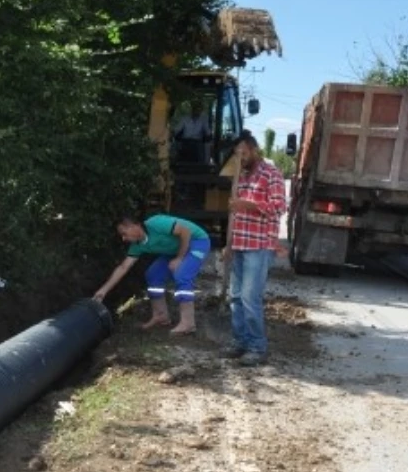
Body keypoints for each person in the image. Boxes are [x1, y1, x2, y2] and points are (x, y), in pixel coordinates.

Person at [223, 131, 287, 366]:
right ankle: (240, 342)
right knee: (236, 297)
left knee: (250, 297)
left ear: (252, 149)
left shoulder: (271, 174)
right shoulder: (241, 176)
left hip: (259, 246)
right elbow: (234, 213)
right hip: (239, 244)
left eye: (242, 152)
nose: (239, 157)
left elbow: (280, 207)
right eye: (236, 153)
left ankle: (257, 347)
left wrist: (250, 205)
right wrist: (228, 245)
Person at [92, 213, 212, 335]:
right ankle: (161, 316)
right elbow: (123, 267)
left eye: (124, 233)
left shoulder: (156, 223)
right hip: (175, 249)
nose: (124, 238)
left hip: (197, 241)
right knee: (153, 275)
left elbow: (185, 232)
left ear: (134, 226)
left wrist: (180, 258)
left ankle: (188, 323)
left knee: (182, 274)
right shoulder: (137, 246)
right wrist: (103, 291)